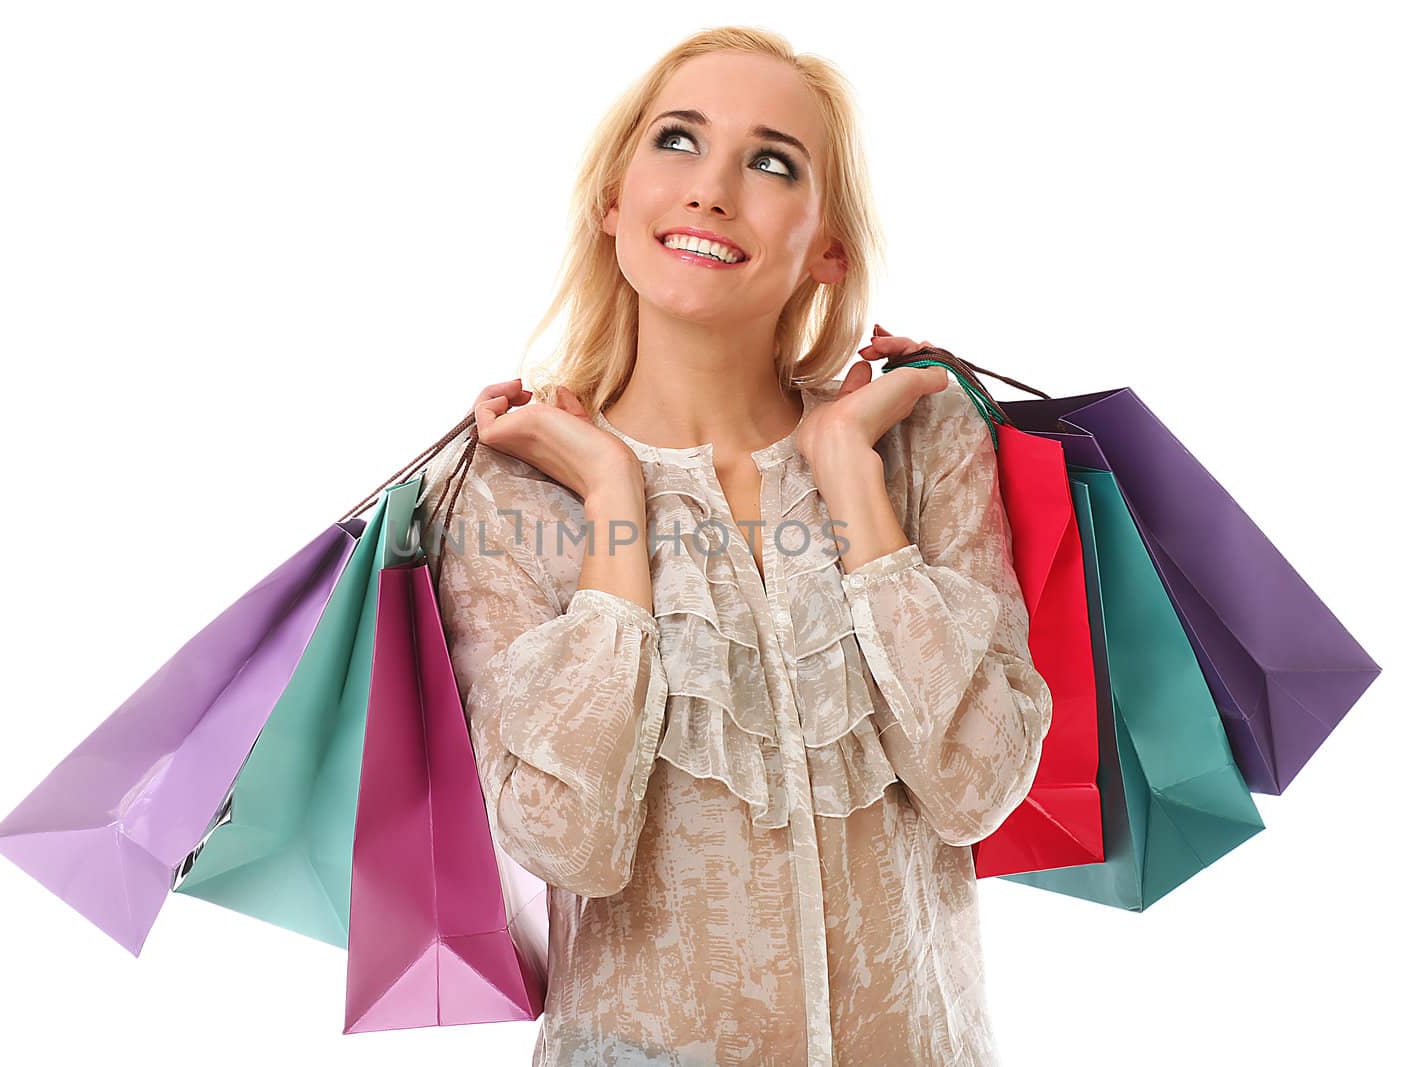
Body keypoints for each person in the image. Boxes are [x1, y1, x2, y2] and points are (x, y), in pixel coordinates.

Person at [413, 26, 1052, 1067]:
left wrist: (847, 470)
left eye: (769, 162)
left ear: (826, 247)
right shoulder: (509, 487)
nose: (712, 190)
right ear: (611, 201)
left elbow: (976, 784)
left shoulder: (919, 440)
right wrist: (616, 499)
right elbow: (563, 840)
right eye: (677, 140)